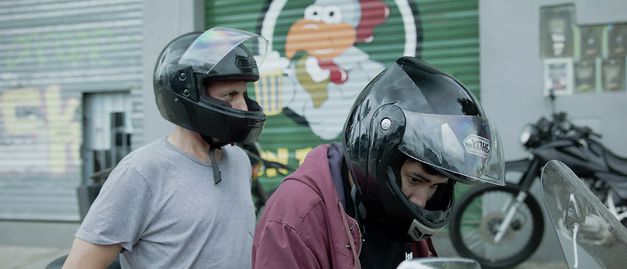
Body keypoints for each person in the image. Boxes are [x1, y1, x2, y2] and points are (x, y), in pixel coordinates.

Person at [252, 56, 505, 269]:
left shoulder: (398, 217)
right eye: (416, 180)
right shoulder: (295, 217)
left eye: (435, 187)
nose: (421, 200)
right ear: (378, 160)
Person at [62, 27, 268, 269]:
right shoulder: (141, 173)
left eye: (244, 94)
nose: (243, 107)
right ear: (188, 96)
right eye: (230, 95)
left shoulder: (239, 161)